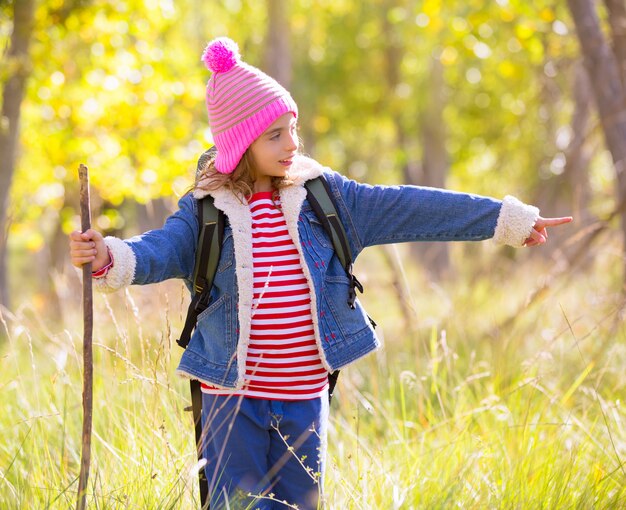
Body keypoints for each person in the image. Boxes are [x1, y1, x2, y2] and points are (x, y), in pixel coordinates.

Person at [69, 37, 572, 509]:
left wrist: (506, 220)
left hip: (303, 397)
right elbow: (157, 249)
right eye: (274, 134)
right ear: (240, 142)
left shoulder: (324, 198)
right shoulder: (207, 211)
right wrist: (108, 255)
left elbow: (411, 207)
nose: (292, 143)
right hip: (230, 398)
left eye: (293, 127)